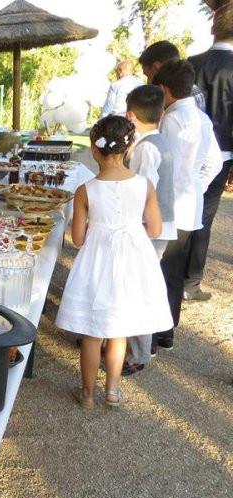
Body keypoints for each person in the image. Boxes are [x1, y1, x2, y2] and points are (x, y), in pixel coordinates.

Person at [55, 116, 172, 409]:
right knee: (119, 329)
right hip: (132, 260)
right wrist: (130, 231)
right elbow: (156, 229)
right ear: (129, 145)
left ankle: (87, 394)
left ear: (94, 149)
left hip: (97, 259)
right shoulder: (144, 185)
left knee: (93, 333)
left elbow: (79, 239)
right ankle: (113, 391)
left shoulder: (85, 190)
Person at [152, 60, 222, 350]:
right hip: (188, 205)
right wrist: (197, 185)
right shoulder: (202, 119)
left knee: (157, 270)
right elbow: (215, 162)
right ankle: (167, 332)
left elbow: (161, 163)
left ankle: (153, 335)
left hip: (168, 204)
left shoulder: (170, 119)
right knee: (174, 272)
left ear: (164, 89)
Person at [122, 85, 177, 375]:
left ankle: (137, 353)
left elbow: (139, 192)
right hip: (162, 225)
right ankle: (135, 347)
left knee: (136, 288)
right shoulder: (163, 140)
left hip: (148, 228)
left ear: (130, 115)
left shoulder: (145, 149)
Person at [186, 5, 233, 300]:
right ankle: (191, 282)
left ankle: (174, 272)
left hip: (189, 148)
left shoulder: (191, 63)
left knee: (182, 208)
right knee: (205, 214)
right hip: (224, 151)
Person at [139, 41, 206, 110]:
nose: (148, 82)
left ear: (156, 67)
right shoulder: (194, 92)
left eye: (147, 75)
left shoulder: (171, 99)